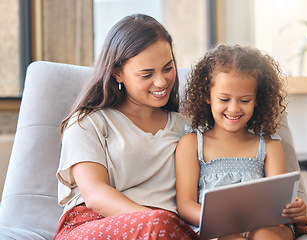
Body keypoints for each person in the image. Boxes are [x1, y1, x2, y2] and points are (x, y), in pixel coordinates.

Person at [54, 14, 201, 240]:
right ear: (117, 72)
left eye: (168, 68)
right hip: (92, 224)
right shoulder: (87, 123)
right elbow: (95, 195)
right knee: (160, 224)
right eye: (147, 74)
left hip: (168, 231)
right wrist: (159, 223)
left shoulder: (187, 128)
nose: (161, 82)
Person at [175, 45, 307, 239]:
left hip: (266, 227)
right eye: (224, 99)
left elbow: (277, 204)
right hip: (218, 229)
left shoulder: (269, 146)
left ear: (257, 100)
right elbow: (185, 205)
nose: (234, 108)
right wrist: (225, 221)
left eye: (244, 100)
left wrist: (296, 211)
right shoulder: (191, 144)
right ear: (207, 96)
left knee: (264, 236)